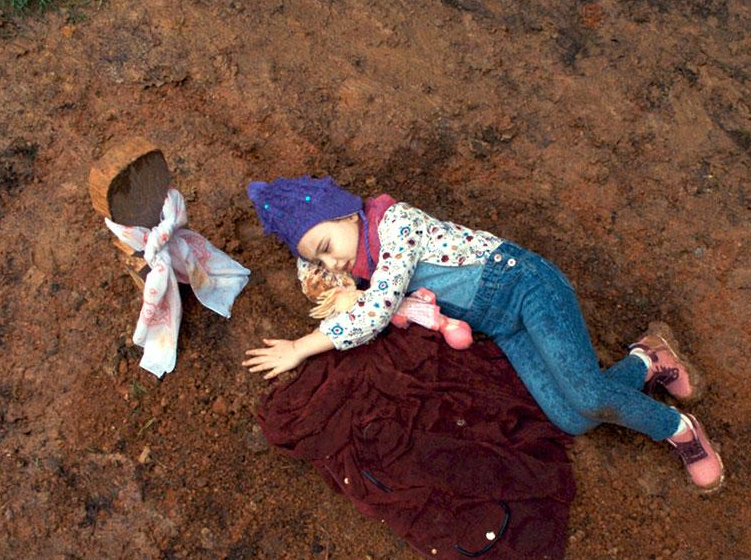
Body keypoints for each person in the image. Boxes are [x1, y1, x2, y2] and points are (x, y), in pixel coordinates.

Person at [241, 176, 725, 492]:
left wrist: (302, 347)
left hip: (528, 287)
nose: (333, 264)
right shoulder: (356, 254)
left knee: (588, 394)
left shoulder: (396, 226)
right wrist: (316, 263)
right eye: (321, 259)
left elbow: (378, 309)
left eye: (328, 247)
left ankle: (678, 429)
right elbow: (317, 270)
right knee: (572, 419)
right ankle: (646, 360)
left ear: (347, 213)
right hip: (502, 324)